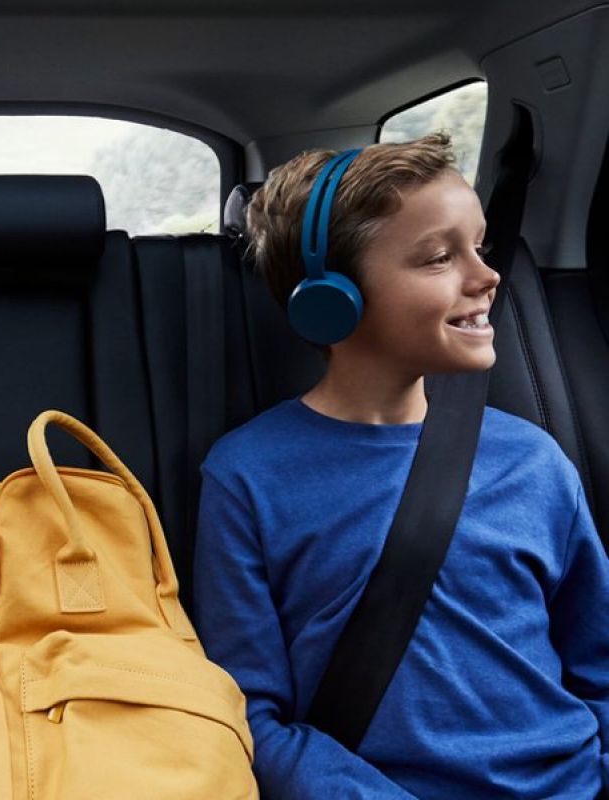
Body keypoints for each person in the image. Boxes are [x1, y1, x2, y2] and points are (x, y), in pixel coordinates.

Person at [194, 133, 608, 797]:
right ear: (332, 296)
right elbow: (249, 715)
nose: (486, 275)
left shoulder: (533, 462)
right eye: (439, 256)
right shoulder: (246, 477)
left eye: (481, 246)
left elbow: (599, 666)